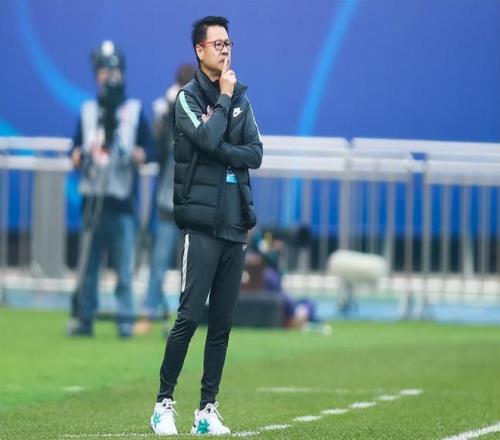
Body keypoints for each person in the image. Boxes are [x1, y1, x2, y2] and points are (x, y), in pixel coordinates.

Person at [150, 16, 263, 436]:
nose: (225, 49)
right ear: (199, 51)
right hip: (200, 224)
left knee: (221, 325)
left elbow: (254, 153)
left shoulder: (242, 98)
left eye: (228, 43)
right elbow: (207, 139)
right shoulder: (188, 98)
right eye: (218, 44)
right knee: (188, 317)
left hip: (234, 223)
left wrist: (225, 147)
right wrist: (226, 100)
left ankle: (207, 409)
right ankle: (163, 403)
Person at [69, 40, 154, 338]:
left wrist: (140, 154)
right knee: (88, 268)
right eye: (103, 71)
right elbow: (75, 148)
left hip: (122, 201)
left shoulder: (133, 110)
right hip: (93, 199)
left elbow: (150, 148)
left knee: (124, 269)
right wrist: (77, 155)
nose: (108, 77)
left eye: (113, 70)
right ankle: (84, 318)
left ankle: (125, 320)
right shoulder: (88, 111)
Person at [134, 64, 196, 336]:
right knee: (159, 261)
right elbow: (157, 142)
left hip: (195, 205)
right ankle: (149, 311)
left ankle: (185, 319)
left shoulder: (205, 116)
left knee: (190, 268)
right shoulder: (168, 113)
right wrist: (169, 109)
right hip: (167, 203)